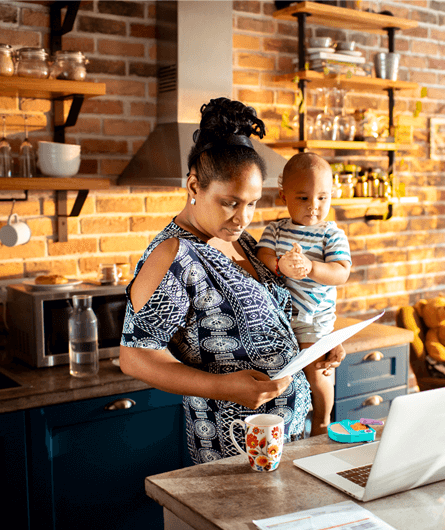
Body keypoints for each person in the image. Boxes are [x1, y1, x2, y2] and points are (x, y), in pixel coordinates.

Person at [118, 97, 311, 465]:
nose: (243, 217)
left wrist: (313, 349)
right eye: (230, 202)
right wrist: (224, 387)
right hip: (231, 451)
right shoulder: (174, 255)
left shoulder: (243, 244)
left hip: (286, 440)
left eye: (252, 203)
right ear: (194, 186)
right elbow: (134, 356)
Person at [255, 152, 352, 436]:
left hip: (313, 319)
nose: (314, 207)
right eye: (303, 198)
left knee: (319, 372)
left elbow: (341, 272)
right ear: (284, 196)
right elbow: (262, 256)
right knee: (291, 379)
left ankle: (323, 421)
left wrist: (310, 267)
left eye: (323, 198)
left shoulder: (330, 234)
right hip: (282, 319)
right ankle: (301, 421)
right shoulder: (275, 229)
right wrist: (279, 264)